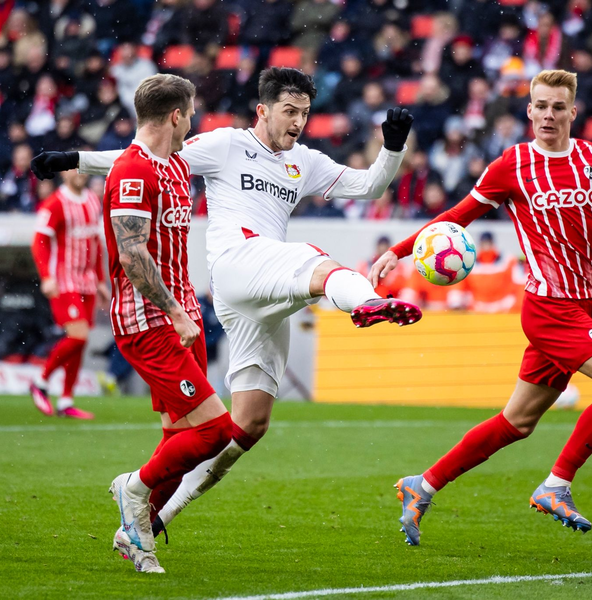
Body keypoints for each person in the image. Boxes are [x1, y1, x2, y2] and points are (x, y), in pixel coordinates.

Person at [31, 67, 419, 542]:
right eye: (289, 111)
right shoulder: (225, 144)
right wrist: (75, 159)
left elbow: (370, 186)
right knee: (314, 259)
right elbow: (146, 154)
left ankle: (153, 519)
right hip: (237, 265)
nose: (297, 122)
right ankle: (368, 301)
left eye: (305, 113)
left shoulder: (307, 161)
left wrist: (393, 148)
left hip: (267, 288)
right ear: (263, 110)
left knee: (248, 426)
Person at [369, 69, 592, 545]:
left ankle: (422, 484)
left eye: (557, 107)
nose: (548, 115)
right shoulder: (513, 165)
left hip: (582, 306)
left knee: (517, 422)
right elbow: (457, 214)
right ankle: (557, 484)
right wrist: (397, 251)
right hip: (549, 308)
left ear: (573, 111)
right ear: (528, 111)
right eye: (540, 106)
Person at [104, 74, 234, 573]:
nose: (194, 120)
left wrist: (189, 309)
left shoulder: (177, 165)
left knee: (177, 435)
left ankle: (135, 534)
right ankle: (132, 488)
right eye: (192, 112)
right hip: (149, 322)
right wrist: (176, 311)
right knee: (215, 431)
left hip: (183, 318)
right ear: (177, 115)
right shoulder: (133, 173)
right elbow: (132, 255)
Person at [29, 168, 109, 418]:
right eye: (75, 169)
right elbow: (39, 241)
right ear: (63, 174)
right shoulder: (54, 204)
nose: (81, 173)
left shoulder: (92, 200)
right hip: (64, 281)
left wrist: (100, 280)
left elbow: (96, 242)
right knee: (79, 337)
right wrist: (46, 277)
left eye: (83, 168)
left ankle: (66, 401)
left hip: (87, 283)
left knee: (79, 344)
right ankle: (40, 383)